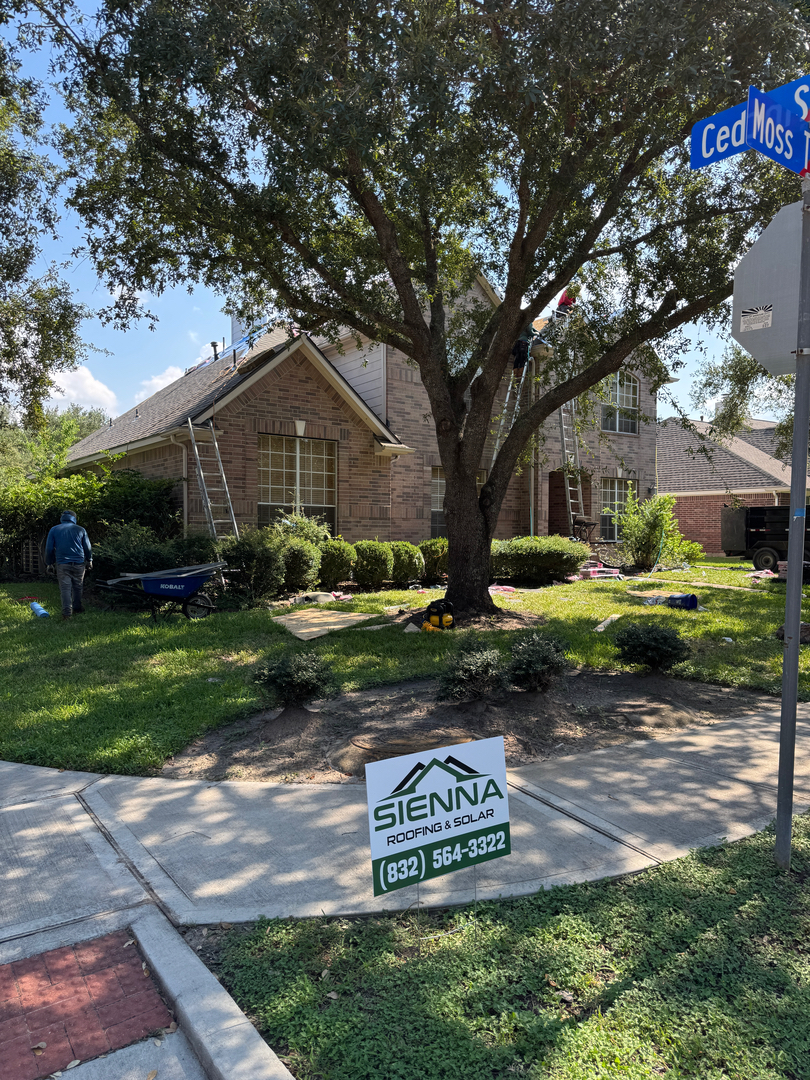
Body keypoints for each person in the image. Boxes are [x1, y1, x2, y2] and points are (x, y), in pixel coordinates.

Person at [45, 510, 93, 620]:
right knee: (78, 587)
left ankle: (67, 614)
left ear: (62, 518)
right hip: (79, 564)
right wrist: (89, 560)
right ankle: (77, 608)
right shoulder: (81, 529)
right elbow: (87, 547)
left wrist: (49, 563)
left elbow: (49, 548)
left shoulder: (54, 529)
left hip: (62, 564)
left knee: (65, 589)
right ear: (74, 518)